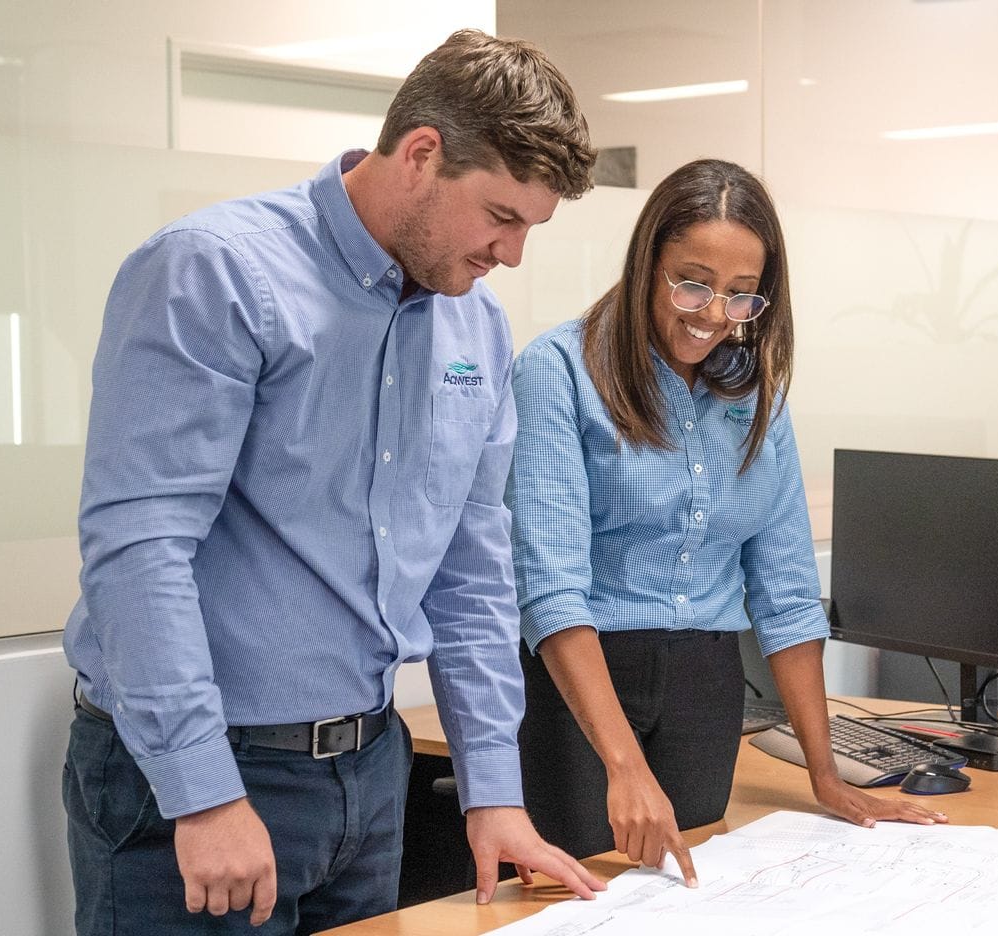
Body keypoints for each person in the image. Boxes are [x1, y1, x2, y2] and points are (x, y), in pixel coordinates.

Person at [61, 29, 606, 934]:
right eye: (500, 217)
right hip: (205, 780)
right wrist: (202, 792)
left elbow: (471, 572)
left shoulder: (476, 329)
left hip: (370, 775)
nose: (510, 254)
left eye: (528, 229)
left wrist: (493, 788)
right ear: (421, 154)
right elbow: (138, 547)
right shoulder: (217, 271)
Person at [508, 159, 947, 884]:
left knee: (688, 897)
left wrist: (827, 775)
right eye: (693, 282)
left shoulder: (757, 394)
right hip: (582, 684)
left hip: (706, 686)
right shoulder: (559, 370)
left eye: (742, 294)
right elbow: (551, 589)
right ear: (647, 263)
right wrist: (624, 767)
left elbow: (786, 593)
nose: (714, 314)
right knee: (583, 904)